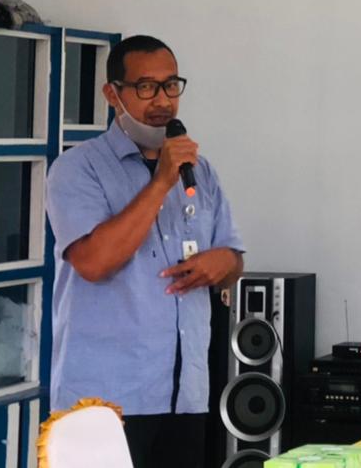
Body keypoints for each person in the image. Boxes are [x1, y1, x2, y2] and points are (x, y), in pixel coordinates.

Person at [45, 35, 246, 468]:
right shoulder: (77, 169)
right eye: (146, 87)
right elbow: (94, 262)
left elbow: (233, 258)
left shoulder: (201, 171)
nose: (162, 100)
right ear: (112, 93)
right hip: (102, 403)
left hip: (184, 395)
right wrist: (161, 182)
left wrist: (224, 264)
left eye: (171, 85)